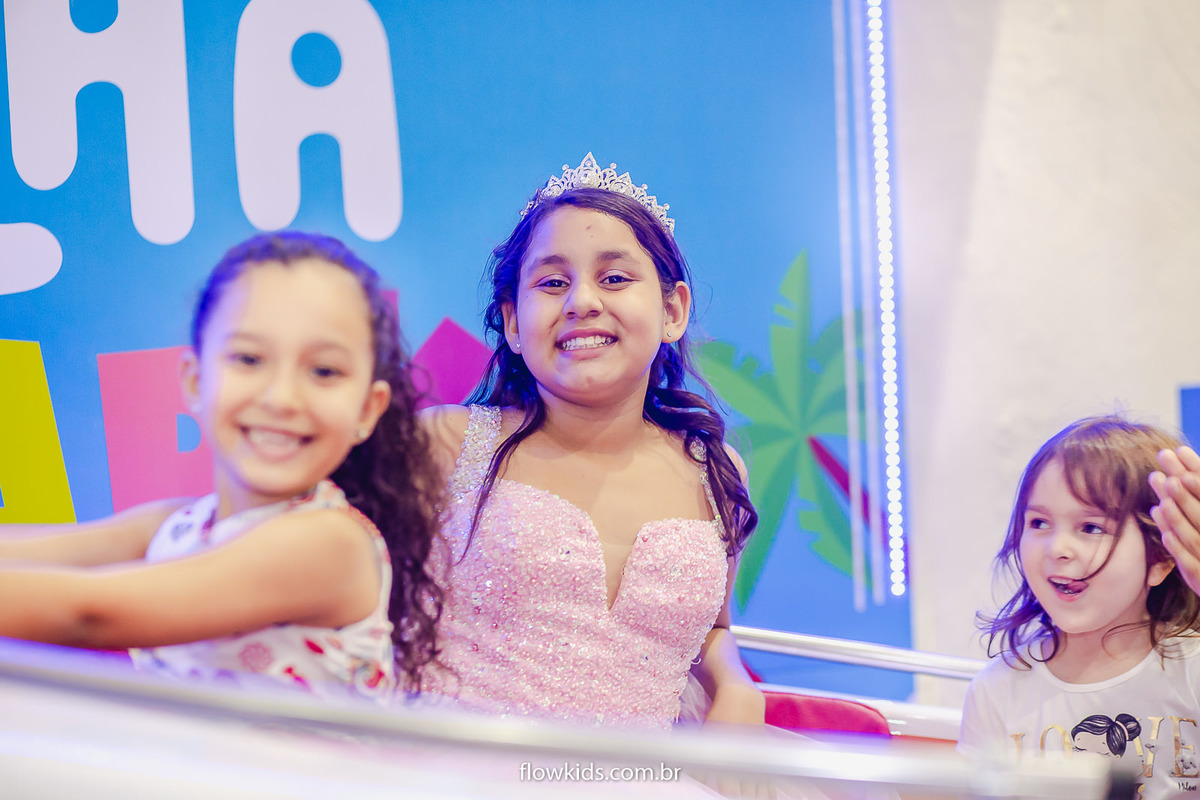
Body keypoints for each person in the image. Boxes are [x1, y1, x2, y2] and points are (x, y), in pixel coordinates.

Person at [0, 231, 443, 699]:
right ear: (195, 381)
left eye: (324, 371)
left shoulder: (330, 544)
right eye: (248, 359)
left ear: (368, 409)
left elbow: (89, 613)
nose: (281, 398)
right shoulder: (175, 524)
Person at [419, 154, 765, 731]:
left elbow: (712, 629)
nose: (582, 301)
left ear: (673, 309)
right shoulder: (445, 444)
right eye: (553, 283)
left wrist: (734, 685)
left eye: (614, 279)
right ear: (513, 321)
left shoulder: (715, 471)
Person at [958, 416, 1200, 799]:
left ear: (1160, 558)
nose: (1057, 548)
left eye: (1091, 528)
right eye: (1039, 522)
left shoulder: (1193, 672)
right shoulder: (997, 691)